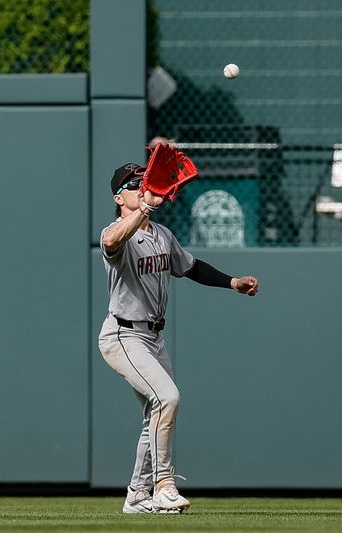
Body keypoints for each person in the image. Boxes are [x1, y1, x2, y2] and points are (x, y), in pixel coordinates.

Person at [97, 162, 259, 514]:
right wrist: (146, 207)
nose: (142, 187)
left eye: (145, 181)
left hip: (153, 337)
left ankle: (137, 496)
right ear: (118, 196)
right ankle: (164, 485)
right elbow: (111, 241)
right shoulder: (117, 232)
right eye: (134, 184)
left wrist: (232, 282)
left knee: (154, 415)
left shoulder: (162, 234)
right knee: (168, 398)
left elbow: (190, 267)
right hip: (123, 335)